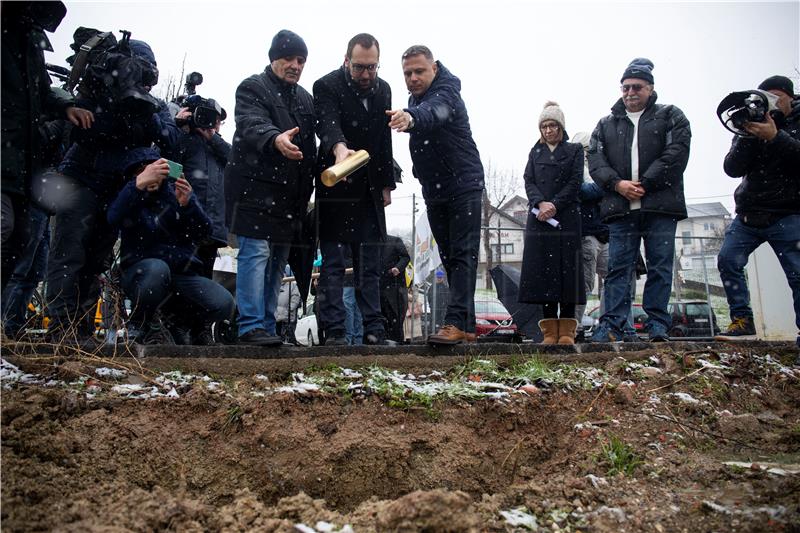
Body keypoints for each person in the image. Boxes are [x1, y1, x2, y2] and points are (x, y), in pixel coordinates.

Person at [45, 36, 178, 342]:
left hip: (115, 189)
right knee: (69, 253)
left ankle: (82, 328)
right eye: (139, 72)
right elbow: (84, 128)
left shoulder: (152, 107)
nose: (144, 81)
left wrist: (144, 109)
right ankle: (60, 328)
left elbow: (169, 137)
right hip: (80, 179)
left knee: (97, 259)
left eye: (149, 74)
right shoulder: (98, 91)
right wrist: (112, 95)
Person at [588, 58, 691, 343]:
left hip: (660, 207)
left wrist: (645, 184)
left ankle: (658, 324)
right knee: (618, 269)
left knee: (660, 266)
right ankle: (611, 325)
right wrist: (617, 184)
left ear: (650, 88)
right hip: (621, 209)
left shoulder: (671, 115)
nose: (630, 92)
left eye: (637, 87)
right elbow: (595, 160)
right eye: (625, 87)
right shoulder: (606, 124)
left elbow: (677, 154)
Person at [224, 30, 315, 346]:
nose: (295, 65)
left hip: (288, 197)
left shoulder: (304, 98)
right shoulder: (252, 88)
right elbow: (251, 123)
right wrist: (275, 138)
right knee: (256, 253)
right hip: (254, 191)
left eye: (301, 60)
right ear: (273, 58)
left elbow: (312, 148)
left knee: (278, 258)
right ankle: (249, 326)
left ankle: (266, 325)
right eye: (288, 58)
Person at [387, 45, 484, 345]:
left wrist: (412, 117)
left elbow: (434, 113)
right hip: (436, 189)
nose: (413, 78)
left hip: (463, 184)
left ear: (434, 68)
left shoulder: (446, 92)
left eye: (419, 71)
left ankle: (455, 321)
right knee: (450, 257)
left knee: (463, 254)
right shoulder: (414, 100)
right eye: (407, 73)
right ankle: (467, 325)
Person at [1, 2, 93, 295]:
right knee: (3, 226)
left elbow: (41, 90)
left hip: (21, 159)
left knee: (18, 238)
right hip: (7, 154)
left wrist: (65, 106)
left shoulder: (29, 39)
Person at [313, 33, 396, 346]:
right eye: (360, 67)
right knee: (333, 264)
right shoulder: (326, 85)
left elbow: (384, 140)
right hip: (336, 183)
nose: (366, 75)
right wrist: (339, 148)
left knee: (370, 265)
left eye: (372, 67)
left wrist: (387, 183)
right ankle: (334, 333)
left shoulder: (383, 89)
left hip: (370, 189)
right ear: (346, 60)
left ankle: (374, 330)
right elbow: (327, 121)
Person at [106, 151, 234, 345]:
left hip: (180, 273)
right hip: (142, 272)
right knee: (157, 270)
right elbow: (113, 217)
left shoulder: (173, 194)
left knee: (224, 303)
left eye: (156, 170)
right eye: (143, 171)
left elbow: (204, 231)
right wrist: (137, 185)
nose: (151, 175)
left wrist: (188, 204)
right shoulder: (130, 195)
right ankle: (140, 322)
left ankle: (179, 325)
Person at [715, 75, 800, 347]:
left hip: (788, 212)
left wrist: (776, 137)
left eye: (777, 98)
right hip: (749, 212)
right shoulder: (749, 126)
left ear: (790, 97)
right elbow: (732, 168)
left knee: (797, 274)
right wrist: (748, 135)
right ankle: (742, 318)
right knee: (728, 260)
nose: (772, 104)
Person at [518, 102, 585, 345]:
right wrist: (540, 202)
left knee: (566, 272)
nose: (548, 130)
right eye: (544, 126)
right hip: (539, 219)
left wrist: (555, 204)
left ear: (561, 127)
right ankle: (549, 330)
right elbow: (528, 180)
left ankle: (567, 329)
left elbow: (575, 181)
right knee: (544, 275)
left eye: (552, 125)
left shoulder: (575, 150)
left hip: (565, 218)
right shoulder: (534, 153)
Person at [170, 97, 231, 344]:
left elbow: (236, 160)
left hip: (212, 227)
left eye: (216, 121)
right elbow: (165, 160)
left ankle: (202, 327)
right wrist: (177, 125)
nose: (212, 124)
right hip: (183, 225)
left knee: (205, 280)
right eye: (206, 117)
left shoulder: (219, 147)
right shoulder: (181, 140)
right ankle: (178, 325)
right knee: (183, 278)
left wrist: (212, 137)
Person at [571, 131, 609, 340]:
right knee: (585, 284)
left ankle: (608, 324)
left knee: (613, 280)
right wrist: (606, 185)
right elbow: (583, 191)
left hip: (604, 231)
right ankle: (575, 326)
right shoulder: (576, 169)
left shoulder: (600, 168)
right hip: (587, 233)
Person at [380, 234, 411, 343]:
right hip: (377, 287)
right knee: (380, 318)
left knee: (395, 318)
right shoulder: (369, 243)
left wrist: (398, 268)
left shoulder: (395, 240)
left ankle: (396, 345)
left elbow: (405, 257)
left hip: (395, 288)